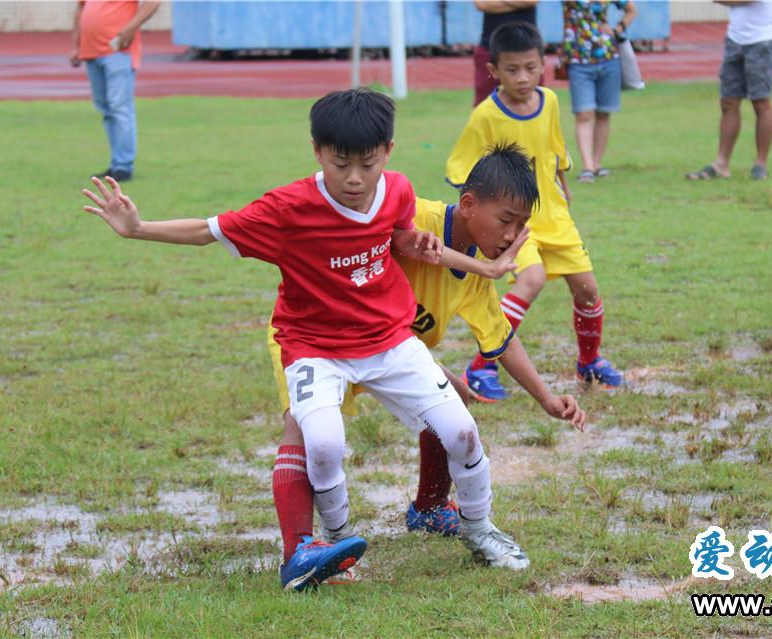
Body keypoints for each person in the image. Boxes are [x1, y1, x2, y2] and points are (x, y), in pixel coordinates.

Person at [82, 88, 531, 593]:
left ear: (387, 150)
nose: (355, 178)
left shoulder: (398, 190)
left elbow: (398, 238)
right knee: (322, 445)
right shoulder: (287, 208)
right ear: (318, 151)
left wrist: (445, 253)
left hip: (389, 340)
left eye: (368, 162)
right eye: (341, 164)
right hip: (315, 346)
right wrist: (137, 228)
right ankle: (335, 544)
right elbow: (208, 230)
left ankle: (480, 530)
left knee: (463, 432)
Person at [270, 144, 587, 558]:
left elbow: (500, 336)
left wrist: (546, 398)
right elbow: (361, 229)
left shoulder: (475, 271)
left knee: (452, 398)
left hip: (388, 350)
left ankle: (431, 506)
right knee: (306, 431)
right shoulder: (416, 216)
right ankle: (301, 551)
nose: (512, 236)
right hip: (318, 338)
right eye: (507, 221)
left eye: (522, 225)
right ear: (469, 205)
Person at [448, 22, 625, 404]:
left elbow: (556, 152)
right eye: (512, 69)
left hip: (555, 216)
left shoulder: (550, 102)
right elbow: (463, 172)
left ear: (543, 65)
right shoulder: (485, 116)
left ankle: (589, 363)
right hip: (514, 222)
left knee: (588, 290)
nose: (523, 77)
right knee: (531, 279)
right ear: (493, 70)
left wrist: (563, 184)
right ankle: (481, 366)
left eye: (530, 67)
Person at [686, 0, 772, 181]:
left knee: (760, 102)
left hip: (762, 41)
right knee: (728, 102)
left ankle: (760, 164)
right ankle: (721, 163)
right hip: (735, 39)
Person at [70, 0, 160, 182]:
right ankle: (116, 162)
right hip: (91, 52)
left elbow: (153, 2)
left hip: (118, 51)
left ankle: (123, 166)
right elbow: (81, 9)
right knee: (106, 109)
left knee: (119, 108)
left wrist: (130, 27)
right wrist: (76, 45)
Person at [561, 0, 637, 184]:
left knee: (603, 112)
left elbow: (631, 10)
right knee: (583, 113)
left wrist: (618, 28)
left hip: (608, 57)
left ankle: (596, 163)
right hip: (578, 59)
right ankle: (587, 166)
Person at [473, 0, 539, 106]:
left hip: (527, 50)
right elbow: (482, 4)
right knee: (484, 104)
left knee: (533, 105)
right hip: (490, 47)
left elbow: (532, 1)